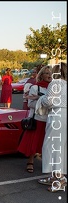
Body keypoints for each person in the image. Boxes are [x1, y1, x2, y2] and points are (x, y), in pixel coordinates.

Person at [37, 62, 67, 192]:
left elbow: (49, 101)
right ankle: (56, 176)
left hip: (56, 115)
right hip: (64, 115)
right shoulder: (65, 84)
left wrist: (41, 98)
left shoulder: (55, 83)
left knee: (52, 146)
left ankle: (59, 179)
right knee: (61, 146)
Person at [17, 65, 52, 174]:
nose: (49, 75)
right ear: (41, 75)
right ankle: (30, 162)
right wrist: (43, 101)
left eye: (50, 73)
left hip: (50, 119)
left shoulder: (53, 88)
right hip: (38, 118)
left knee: (47, 143)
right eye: (47, 73)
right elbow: (30, 103)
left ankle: (46, 163)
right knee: (34, 142)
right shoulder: (35, 87)